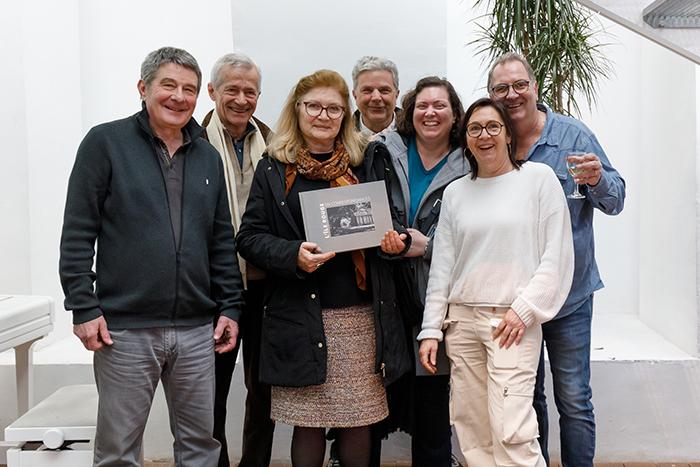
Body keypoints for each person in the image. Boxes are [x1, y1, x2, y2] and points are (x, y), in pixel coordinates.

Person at [59, 46, 243, 467]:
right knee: (118, 454)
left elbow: (220, 241)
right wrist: (83, 306)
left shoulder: (207, 156)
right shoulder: (105, 143)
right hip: (124, 331)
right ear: (144, 88)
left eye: (190, 89)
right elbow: (77, 233)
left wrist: (231, 305)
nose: (180, 97)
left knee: (201, 448)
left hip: (198, 330)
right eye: (169, 85)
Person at [236, 69, 411, 467]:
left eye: (334, 108)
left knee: (357, 419)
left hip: (359, 317)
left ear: (344, 113)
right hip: (298, 315)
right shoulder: (272, 167)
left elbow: (390, 222)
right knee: (308, 423)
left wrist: (393, 241)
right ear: (296, 110)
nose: (323, 115)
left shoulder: (365, 159)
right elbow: (248, 238)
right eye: (313, 106)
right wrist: (292, 254)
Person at [418, 97, 574, 467]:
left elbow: (557, 257)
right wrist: (430, 330)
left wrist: (523, 311)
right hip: (462, 323)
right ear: (466, 139)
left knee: (512, 429)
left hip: (512, 323)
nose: (484, 135)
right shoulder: (456, 192)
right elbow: (443, 267)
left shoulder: (538, 179)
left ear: (507, 134)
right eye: (474, 129)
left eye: (493, 127)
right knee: (472, 430)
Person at [487, 52, 626, 467]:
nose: (512, 95)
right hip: (516, 302)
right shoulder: (491, 139)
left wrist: (599, 179)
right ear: (491, 95)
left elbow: (616, 199)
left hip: (570, 297)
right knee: (528, 398)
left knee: (574, 399)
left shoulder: (574, 136)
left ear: (534, 86)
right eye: (501, 89)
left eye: (519, 85)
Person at [378, 76, 468, 467]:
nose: (430, 113)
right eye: (422, 106)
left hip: (441, 304)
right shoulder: (382, 152)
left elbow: (477, 239)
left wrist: (427, 247)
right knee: (373, 406)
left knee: (434, 409)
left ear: (454, 115)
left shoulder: (472, 162)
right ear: (410, 112)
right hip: (386, 298)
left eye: (440, 106)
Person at [201, 51, 275, 467]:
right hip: (214, 289)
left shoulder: (276, 144)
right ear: (212, 92)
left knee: (263, 391)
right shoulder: (192, 144)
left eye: (250, 91)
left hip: (266, 286)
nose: (241, 99)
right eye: (232, 89)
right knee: (212, 392)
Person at [351, 56, 401, 136]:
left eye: (384, 90)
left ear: (396, 95)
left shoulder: (418, 135)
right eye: (367, 90)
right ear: (355, 96)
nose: (376, 97)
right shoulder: (337, 137)